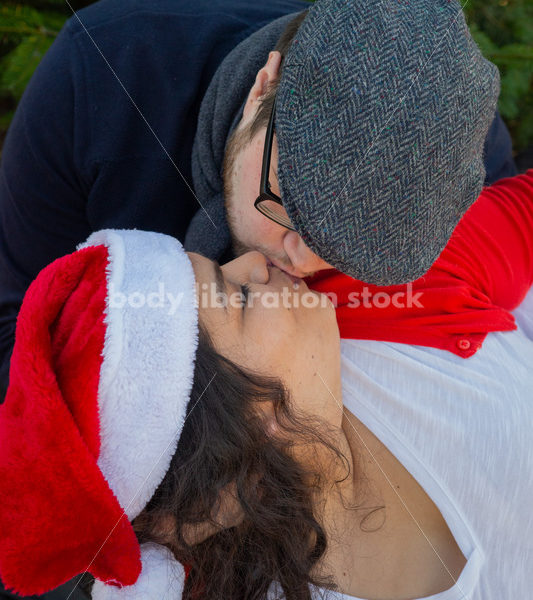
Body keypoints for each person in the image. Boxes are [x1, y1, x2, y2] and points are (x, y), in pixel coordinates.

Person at [0, 168, 532, 599]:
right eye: (241, 298)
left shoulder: (378, 287)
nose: (254, 261)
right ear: (235, 474)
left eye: (220, 267)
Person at [0, 0, 517, 405]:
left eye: (348, 246)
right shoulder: (101, 71)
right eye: (287, 206)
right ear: (262, 86)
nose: (301, 261)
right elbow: (14, 328)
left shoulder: (463, 157)